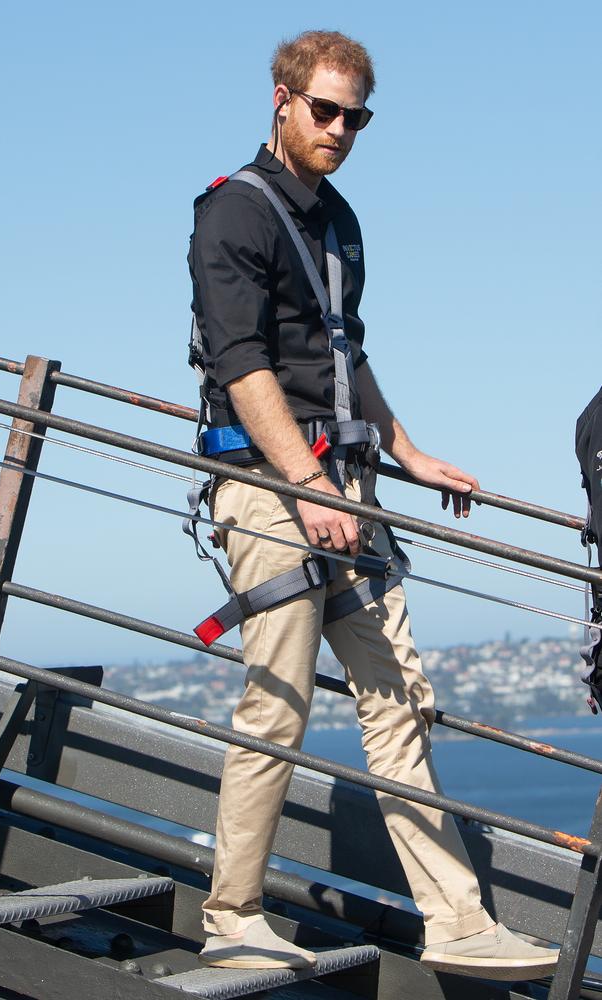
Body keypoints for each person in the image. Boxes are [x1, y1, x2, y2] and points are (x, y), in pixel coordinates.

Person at [188, 29, 559, 980]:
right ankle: (231, 915)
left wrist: (406, 451)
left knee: (399, 699)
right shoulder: (234, 215)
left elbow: (345, 352)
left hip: (347, 485)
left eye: (357, 116)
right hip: (277, 486)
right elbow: (241, 365)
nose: (341, 129)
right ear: (280, 99)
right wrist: (306, 487)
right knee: (276, 703)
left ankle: (457, 921)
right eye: (325, 110)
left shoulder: (340, 220)